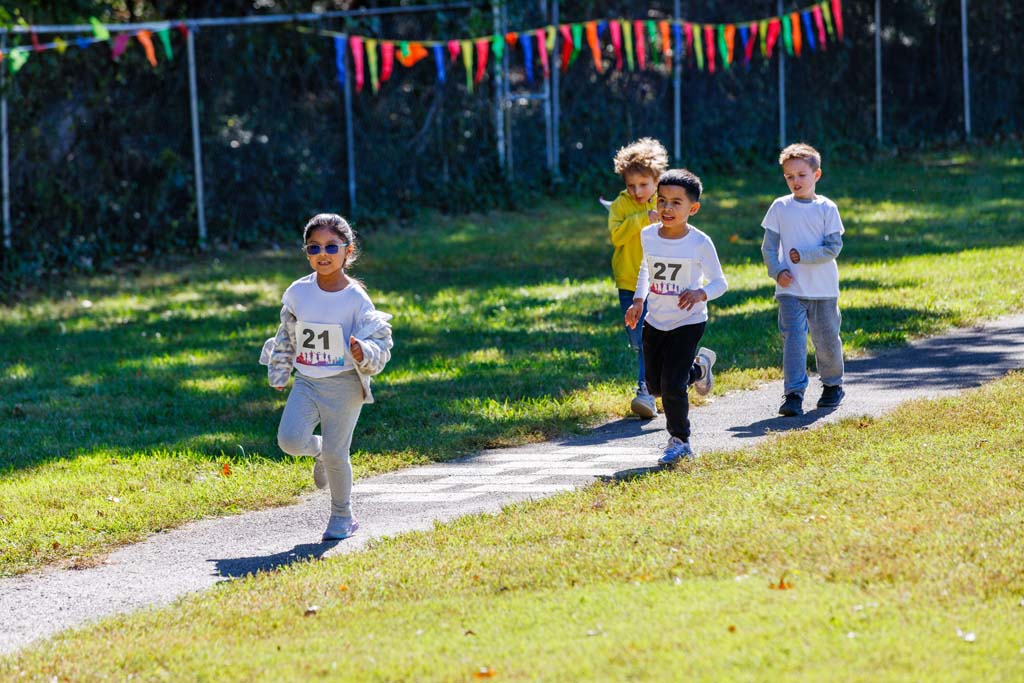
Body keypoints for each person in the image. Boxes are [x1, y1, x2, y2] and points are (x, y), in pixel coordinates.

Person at [259, 213, 393, 541]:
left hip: (345, 384)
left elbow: (379, 340)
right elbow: (288, 335)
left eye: (332, 247)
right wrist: (279, 371)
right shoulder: (298, 293)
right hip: (307, 381)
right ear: (306, 252)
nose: (323, 253)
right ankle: (317, 449)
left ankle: (342, 517)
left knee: (338, 454)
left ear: (348, 251)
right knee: (289, 441)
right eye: (314, 247)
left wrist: (363, 352)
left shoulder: (355, 299)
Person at [625, 169, 724, 465]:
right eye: (662, 200)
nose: (667, 208)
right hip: (655, 320)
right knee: (655, 387)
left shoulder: (699, 242)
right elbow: (646, 269)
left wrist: (700, 294)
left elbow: (720, 282)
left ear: (692, 209)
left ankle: (680, 440)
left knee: (672, 386)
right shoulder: (647, 235)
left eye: (676, 203)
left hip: (688, 321)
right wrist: (638, 300)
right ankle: (700, 369)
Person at [760, 142, 846, 417]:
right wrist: (777, 271)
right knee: (794, 340)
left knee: (827, 339)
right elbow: (769, 247)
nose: (795, 181)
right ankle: (793, 394)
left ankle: (833, 385)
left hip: (823, 289)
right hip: (790, 289)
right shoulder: (779, 207)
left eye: (801, 175)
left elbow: (834, 247)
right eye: (789, 176)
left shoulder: (827, 209)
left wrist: (803, 256)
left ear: (816, 175)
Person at [607, 137, 669, 418]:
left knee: (657, 337)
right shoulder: (620, 206)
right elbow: (617, 236)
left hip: (662, 282)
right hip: (628, 283)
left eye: (643, 185)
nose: (636, 191)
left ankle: (647, 391)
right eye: (631, 185)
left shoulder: (667, 202)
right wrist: (642, 218)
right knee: (638, 340)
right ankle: (669, 381)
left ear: (656, 179)